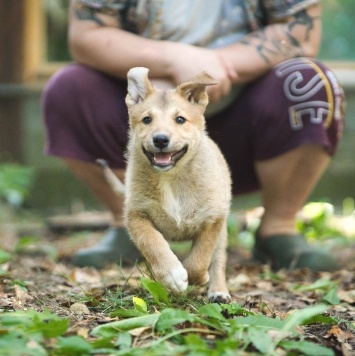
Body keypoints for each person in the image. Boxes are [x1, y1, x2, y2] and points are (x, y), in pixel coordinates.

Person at [41, 0, 345, 271]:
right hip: (149, 119)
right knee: (68, 89)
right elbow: (86, 36)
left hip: (247, 114)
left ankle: (278, 227)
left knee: (310, 85)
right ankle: (132, 226)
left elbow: (301, 34)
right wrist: (172, 59)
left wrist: (214, 68)